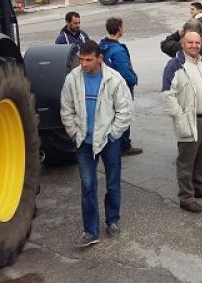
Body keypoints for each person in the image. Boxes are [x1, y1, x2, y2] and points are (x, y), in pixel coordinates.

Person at [60, 40, 133, 247]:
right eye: (81, 59)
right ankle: (90, 231)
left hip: (108, 141)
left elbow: (125, 110)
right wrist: (74, 134)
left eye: (88, 60)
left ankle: (113, 220)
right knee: (88, 186)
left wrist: (113, 135)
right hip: (84, 142)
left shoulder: (114, 80)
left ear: (99, 59)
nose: (83, 64)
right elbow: (66, 107)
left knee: (112, 183)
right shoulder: (72, 79)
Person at [161, 30, 202, 214]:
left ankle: (201, 187)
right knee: (186, 162)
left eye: (197, 43)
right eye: (190, 43)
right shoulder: (174, 66)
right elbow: (167, 96)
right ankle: (186, 198)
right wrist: (180, 118)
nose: (194, 46)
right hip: (190, 120)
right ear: (183, 44)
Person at [99, 17, 143, 157]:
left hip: (108, 86)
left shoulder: (103, 46)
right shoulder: (117, 50)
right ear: (119, 29)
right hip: (121, 88)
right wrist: (133, 80)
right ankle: (124, 146)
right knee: (124, 114)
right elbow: (124, 71)